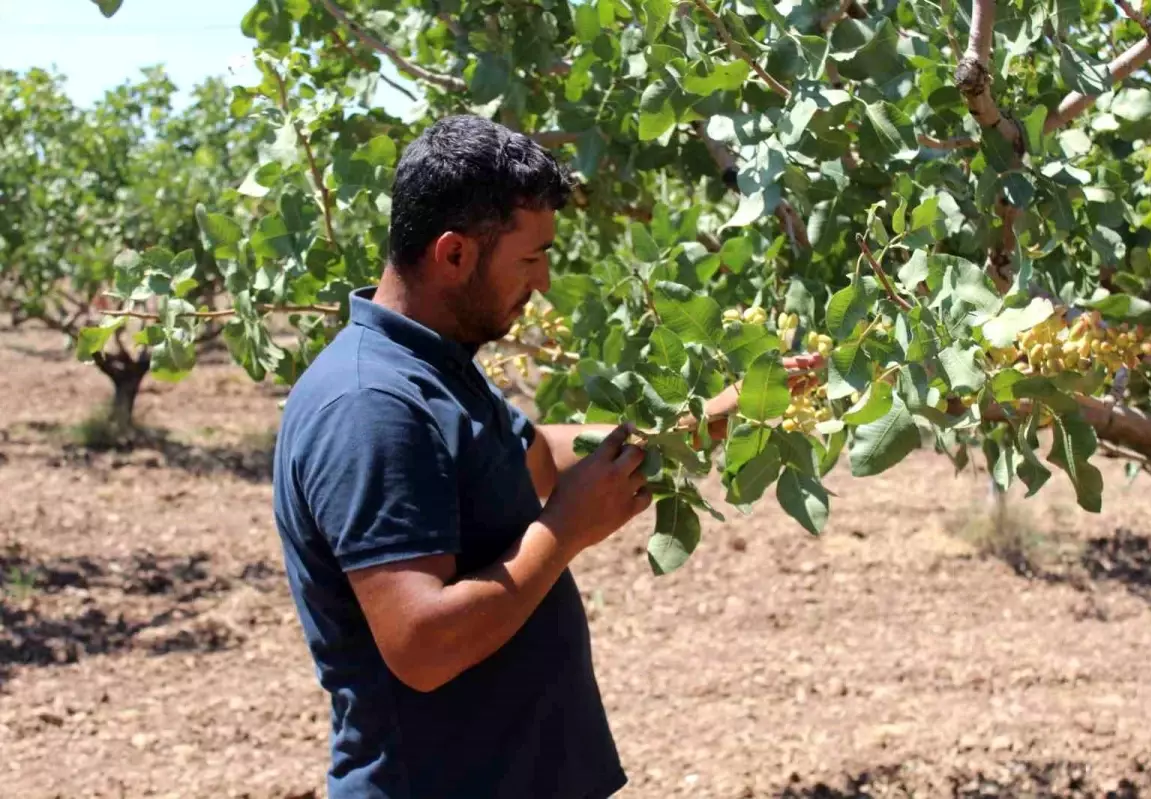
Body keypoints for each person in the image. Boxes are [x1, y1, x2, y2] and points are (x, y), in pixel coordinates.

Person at [272, 114, 821, 798]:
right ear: (452, 254)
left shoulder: (434, 367)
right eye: (530, 258)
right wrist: (565, 530)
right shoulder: (370, 405)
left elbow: (537, 454)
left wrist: (718, 413)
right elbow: (420, 643)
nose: (543, 281)